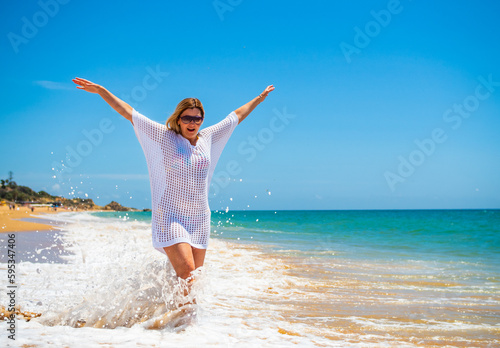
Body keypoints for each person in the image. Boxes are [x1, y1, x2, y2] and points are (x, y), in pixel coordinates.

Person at [72, 77, 274, 300]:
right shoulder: (163, 136)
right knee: (187, 272)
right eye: (187, 118)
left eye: (197, 119)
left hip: (199, 218)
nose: (192, 123)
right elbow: (129, 113)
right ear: (178, 119)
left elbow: (236, 116)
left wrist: (259, 99)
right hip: (170, 215)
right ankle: (176, 323)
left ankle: (181, 324)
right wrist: (101, 91)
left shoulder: (208, 137)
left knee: (193, 279)